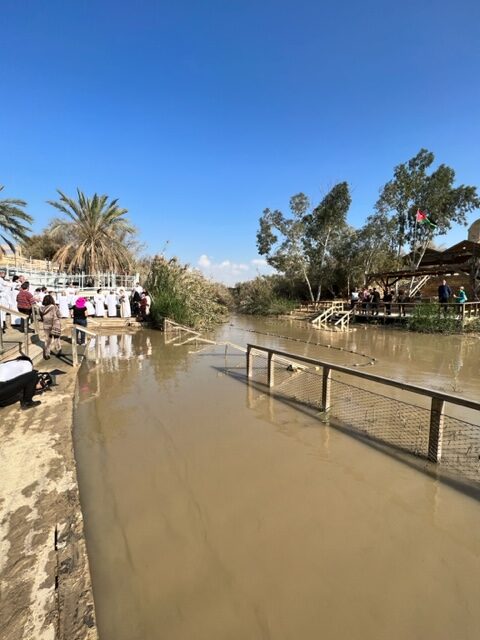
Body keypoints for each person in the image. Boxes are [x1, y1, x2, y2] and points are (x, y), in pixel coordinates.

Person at [40, 294, 62, 359]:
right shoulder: (54, 307)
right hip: (55, 324)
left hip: (46, 325)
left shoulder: (41, 308)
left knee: (47, 340)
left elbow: (41, 317)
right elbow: (59, 315)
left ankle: (47, 354)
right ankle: (58, 351)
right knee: (56, 338)